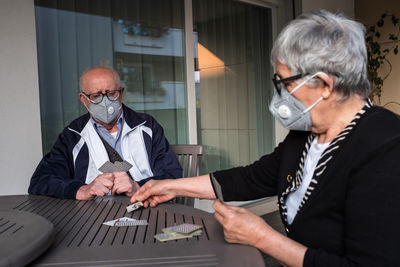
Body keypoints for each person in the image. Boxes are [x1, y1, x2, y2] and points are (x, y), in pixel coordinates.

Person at [130, 10, 400, 266]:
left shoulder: (385, 146)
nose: (280, 92)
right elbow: (252, 178)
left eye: (285, 82)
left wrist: (262, 237)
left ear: (325, 85)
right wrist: (173, 187)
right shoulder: (305, 134)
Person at [29, 66, 182, 200]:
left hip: (148, 209)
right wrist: (81, 189)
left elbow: (172, 175)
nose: (105, 101)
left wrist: (138, 187)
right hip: (93, 218)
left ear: (121, 93)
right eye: (96, 96)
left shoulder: (147, 127)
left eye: (111, 93)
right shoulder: (73, 135)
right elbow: (41, 181)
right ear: (83, 99)